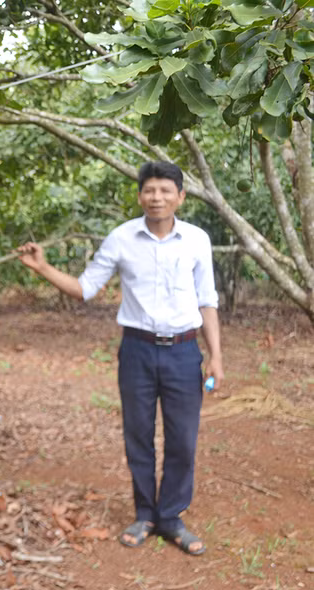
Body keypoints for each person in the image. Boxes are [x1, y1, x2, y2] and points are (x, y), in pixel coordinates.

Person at [17, 162, 223, 556]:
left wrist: (216, 357)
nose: (157, 197)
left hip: (184, 352)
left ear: (181, 197)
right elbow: (85, 288)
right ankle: (146, 513)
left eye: (166, 190)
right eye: (150, 190)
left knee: (183, 439)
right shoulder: (121, 238)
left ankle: (172, 517)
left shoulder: (197, 240)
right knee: (138, 436)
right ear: (140, 195)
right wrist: (42, 267)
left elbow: (207, 300)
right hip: (137, 351)